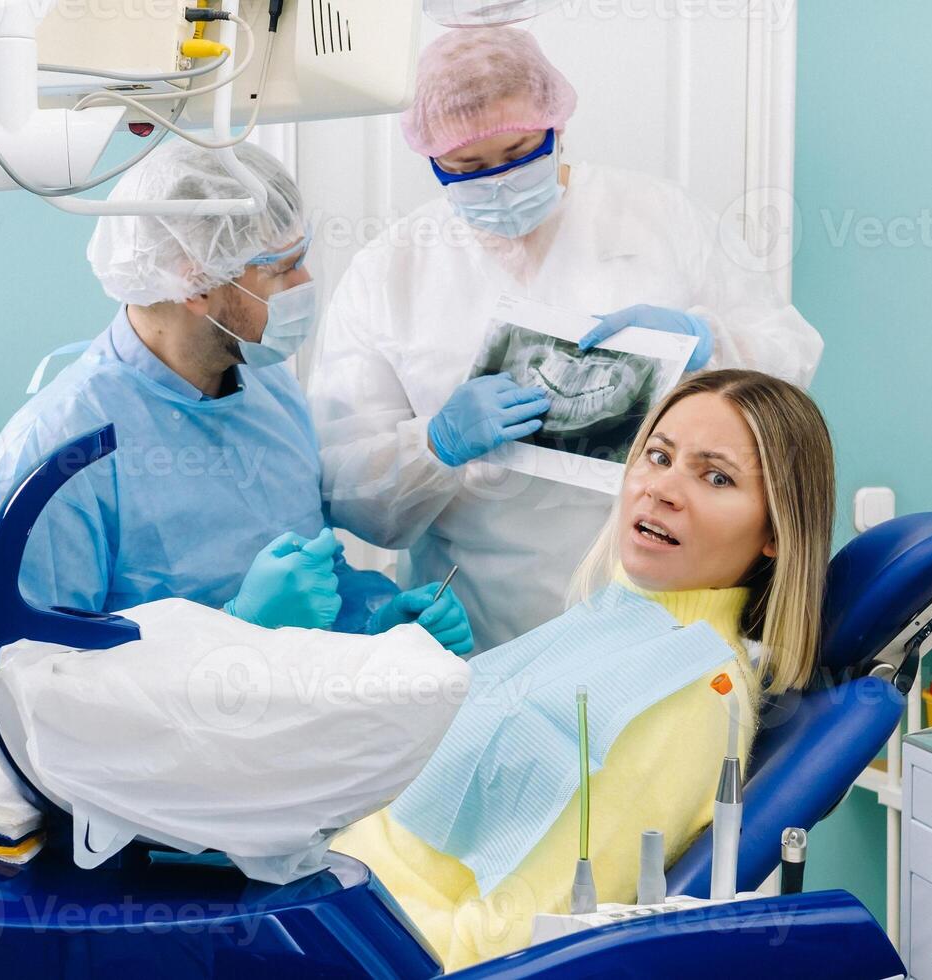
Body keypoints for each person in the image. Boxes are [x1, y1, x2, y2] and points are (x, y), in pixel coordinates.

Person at [308, 27, 825, 651]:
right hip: (478, 615)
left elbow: (791, 358)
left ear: (556, 129)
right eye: (467, 168)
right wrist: (435, 445)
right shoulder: (388, 272)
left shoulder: (660, 217)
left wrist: (711, 345)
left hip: (662, 604)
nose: (497, 181)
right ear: (429, 158)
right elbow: (350, 493)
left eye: (520, 153)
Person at [333, 369, 837, 969]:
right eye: (658, 455)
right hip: (334, 888)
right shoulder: (619, 613)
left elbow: (515, 939)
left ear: (776, 532)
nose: (662, 489)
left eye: (716, 476)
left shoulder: (688, 694)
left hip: (369, 944)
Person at [0, 142, 471, 652]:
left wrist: (377, 624)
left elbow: (319, 576)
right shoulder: (58, 455)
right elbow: (40, 686)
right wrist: (237, 627)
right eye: (282, 269)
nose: (306, 283)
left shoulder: (267, 388)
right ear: (195, 281)